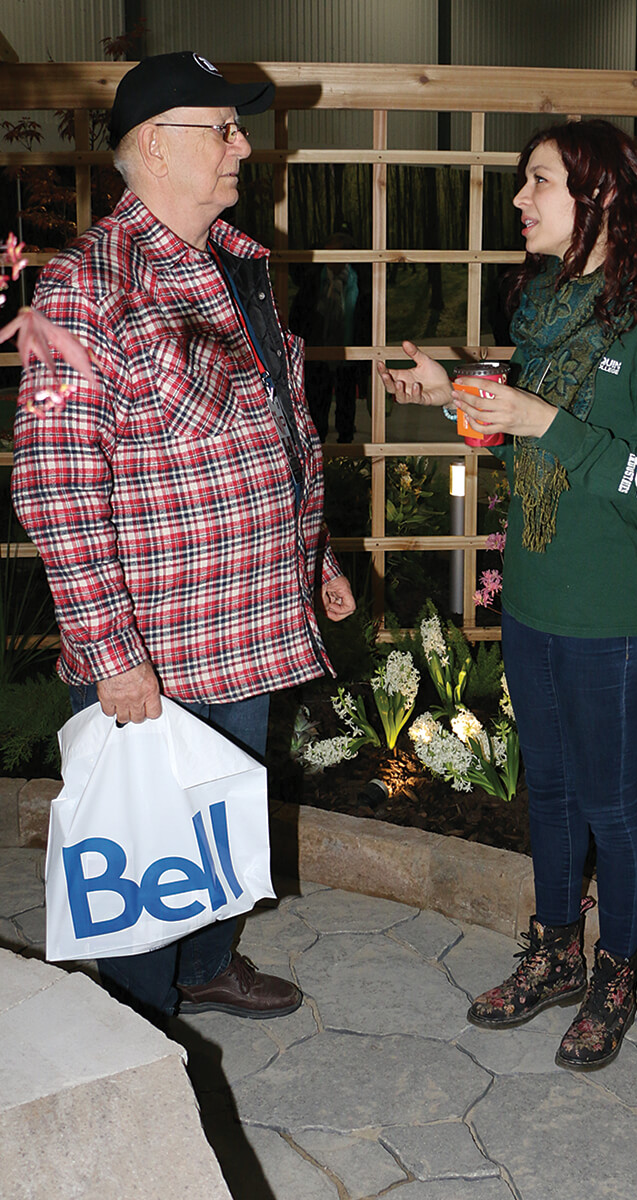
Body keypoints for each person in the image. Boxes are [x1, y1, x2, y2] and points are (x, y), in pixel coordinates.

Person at [12, 51, 355, 1025]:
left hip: (246, 623)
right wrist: (113, 653)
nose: (243, 145)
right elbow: (56, 488)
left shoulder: (235, 264)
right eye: (224, 127)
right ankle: (137, 1019)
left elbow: (273, 428)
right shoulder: (88, 286)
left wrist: (312, 561)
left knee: (222, 819)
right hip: (157, 649)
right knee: (148, 846)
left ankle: (205, 966)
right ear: (156, 146)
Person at [377, 119, 637, 1069]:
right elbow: (510, 420)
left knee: (608, 800)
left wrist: (542, 420)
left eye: (539, 183)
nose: (519, 200)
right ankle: (557, 952)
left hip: (607, 612)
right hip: (531, 591)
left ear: (599, 195)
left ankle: (616, 977)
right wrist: (452, 395)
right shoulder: (547, 304)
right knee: (551, 793)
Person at [289, 230, 370, 444]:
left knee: (346, 402)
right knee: (317, 403)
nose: (332, 259)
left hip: (349, 351)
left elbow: (366, 318)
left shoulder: (360, 280)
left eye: (338, 254)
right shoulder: (313, 279)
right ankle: (319, 445)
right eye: (329, 254)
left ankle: (346, 445)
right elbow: (299, 315)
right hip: (317, 352)